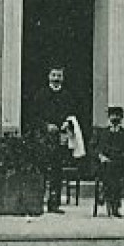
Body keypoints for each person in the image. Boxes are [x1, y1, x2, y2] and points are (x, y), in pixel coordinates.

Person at [27, 66, 78, 213]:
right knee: (41, 168)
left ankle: (53, 203)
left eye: (59, 76)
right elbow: (33, 116)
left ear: (63, 78)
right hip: (43, 137)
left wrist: (66, 123)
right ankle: (37, 201)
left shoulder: (67, 96)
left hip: (60, 137)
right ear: (49, 76)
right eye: (54, 75)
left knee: (57, 170)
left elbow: (72, 114)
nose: (56, 78)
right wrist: (46, 126)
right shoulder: (41, 94)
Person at [96, 105, 124, 217]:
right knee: (111, 173)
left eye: (118, 116)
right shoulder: (103, 133)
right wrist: (101, 156)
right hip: (105, 164)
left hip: (120, 164)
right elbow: (97, 148)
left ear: (121, 118)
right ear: (109, 117)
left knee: (117, 174)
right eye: (113, 115)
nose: (115, 118)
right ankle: (113, 204)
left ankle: (109, 198)